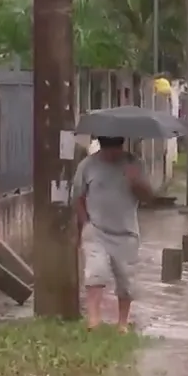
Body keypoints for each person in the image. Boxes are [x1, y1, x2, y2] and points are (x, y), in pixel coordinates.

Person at [72, 136, 155, 332]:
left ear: (122, 145)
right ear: (101, 145)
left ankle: (123, 323)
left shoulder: (135, 164)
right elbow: (78, 196)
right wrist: (84, 223)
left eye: (115, 149)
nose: (112, 154)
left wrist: (136, 182)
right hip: (96, 230)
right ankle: (94, 320)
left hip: (126, 232)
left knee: (126, 280)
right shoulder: (87, 165)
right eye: (108, 150)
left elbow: (149, 198)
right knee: (95, 273)